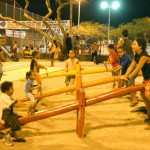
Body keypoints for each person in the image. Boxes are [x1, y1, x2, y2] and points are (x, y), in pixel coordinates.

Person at [121, 37, 150, 121]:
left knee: (148, 95)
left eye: (134, 44)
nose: (131, 45)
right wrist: (125, 75)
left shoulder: (144, 56)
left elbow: (137, 69)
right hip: (147, 78)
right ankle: (149, 115)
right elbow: (131, 66)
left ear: (140, 46)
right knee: (143, 95)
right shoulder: (137, 55)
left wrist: (128, 78)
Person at [0, 81, 25, 146]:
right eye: (12, 88)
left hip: (9, 113)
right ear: (6, 90)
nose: (13, 90)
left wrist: (27, 105)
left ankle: (12, 134)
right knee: (15, 122)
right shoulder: (3, 97)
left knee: (21, 119)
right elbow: (14, 104)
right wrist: (27, 106)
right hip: (4, 116)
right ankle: (7, 137)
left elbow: (16, 101)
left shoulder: (8, 96)